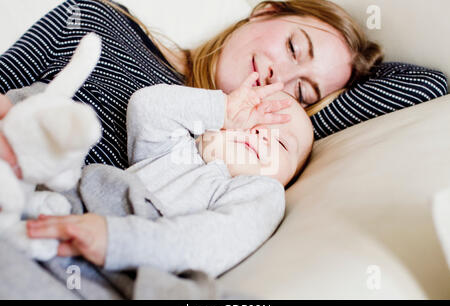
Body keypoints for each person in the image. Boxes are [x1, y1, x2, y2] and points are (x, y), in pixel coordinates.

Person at [0, 0, 446, 177]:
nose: (280, 80)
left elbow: (428, 86)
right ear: (266, 10)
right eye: (294, 46)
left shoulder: (249, 149)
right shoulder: (100, 24)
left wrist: (294, 117)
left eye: (304, 91)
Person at [24, 76, 314, 278]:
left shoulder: (260, 192)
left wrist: (116, 241)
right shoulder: (175, 148)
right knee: (36, 99)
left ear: (289, 180)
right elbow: (146, 106)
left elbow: (208, 242)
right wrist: (222, 109)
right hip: (61, 200)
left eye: (282, 144)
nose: (262, 132)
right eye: (253, 118)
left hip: (118, 259)